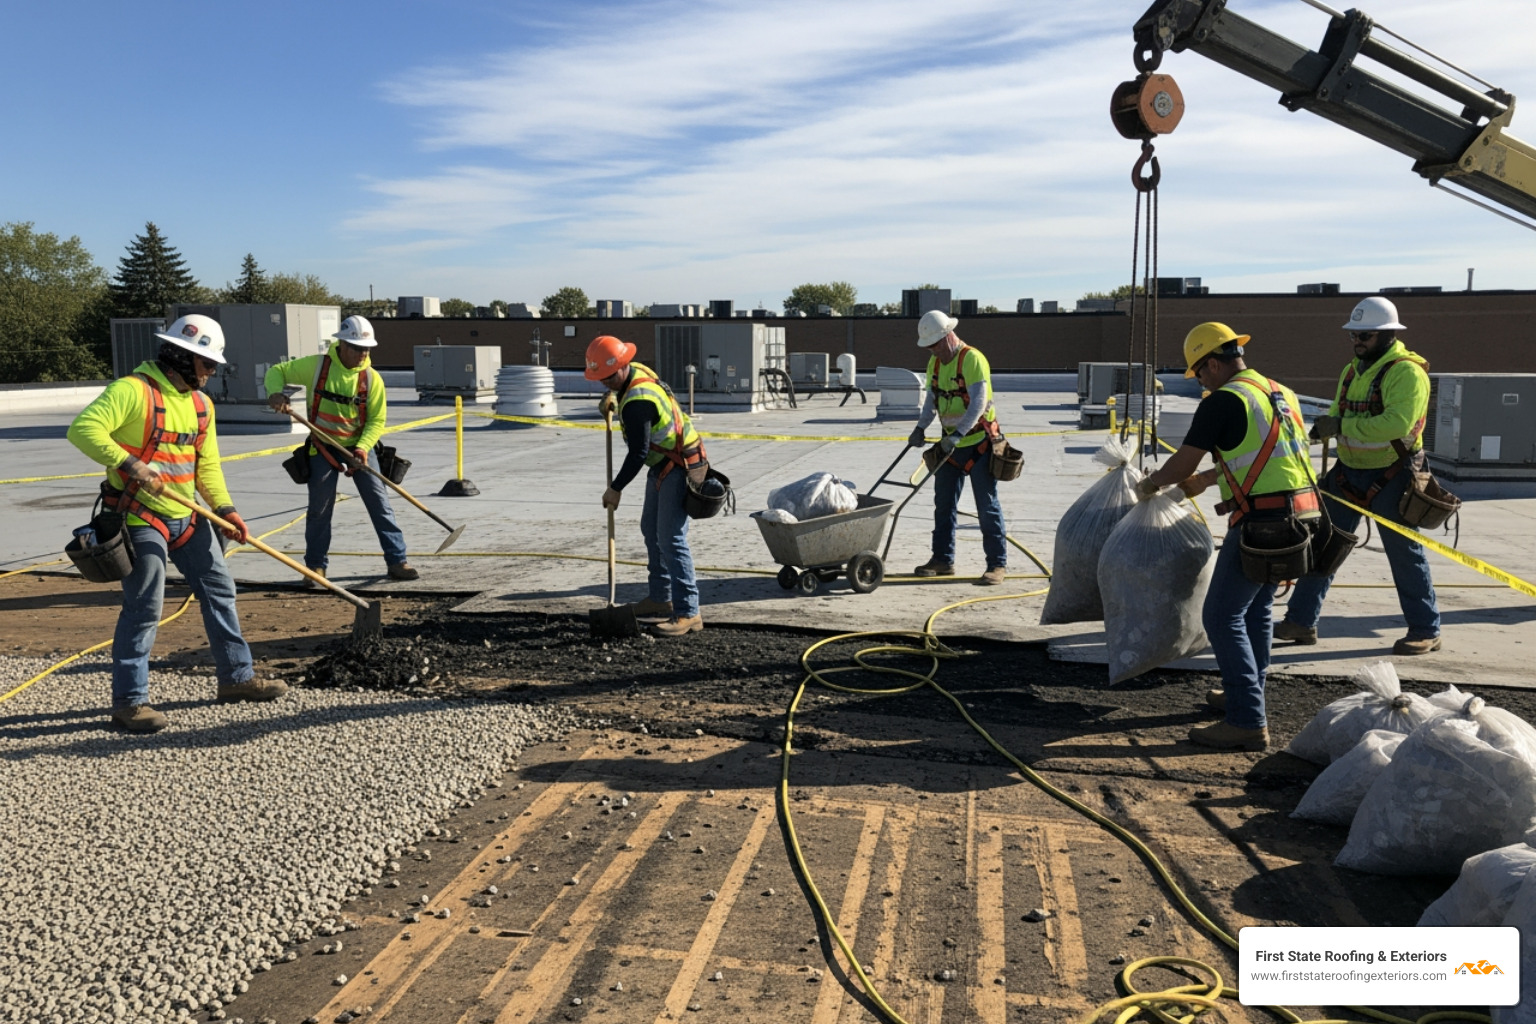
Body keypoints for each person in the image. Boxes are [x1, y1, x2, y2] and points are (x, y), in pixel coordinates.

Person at [67, 314, 287, 733]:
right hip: (139, 517)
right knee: (145, 605)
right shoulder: (133, 391)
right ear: (182, 358)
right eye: (208, 365)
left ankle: (236, 679)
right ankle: (130, 702)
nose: (212, 373)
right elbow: (83, 429)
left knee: (220, 589)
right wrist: (131, 463)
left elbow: (208, 466)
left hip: (187, 518)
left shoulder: (202, 405)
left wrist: (224, 510)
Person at [1138, 322, 1318, 751]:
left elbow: (1178, 464)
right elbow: (1267, 452)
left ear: (1213, 364)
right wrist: (1208, 479)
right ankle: (1244, 695)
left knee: (1220, 616)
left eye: (1198, 373)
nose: (1199, 382)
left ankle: (1246, 720)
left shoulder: (1223, 400)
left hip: (1264, 523)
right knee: (1254, 611)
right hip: (1299, 514)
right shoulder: (1278, 392)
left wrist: (1151, 485)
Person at [1273, 296, 1441, 655]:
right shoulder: (1352, 370)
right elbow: (1338, 410)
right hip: (1349, 474)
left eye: (1365, 335)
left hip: (1392, 476)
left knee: (1404, 553)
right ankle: (1301, 621)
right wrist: (1325, 429)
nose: (1357, 341)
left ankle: (1426, 628)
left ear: (1388, 334)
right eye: (1354, 335)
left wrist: (1342, 425)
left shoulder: (1407, 371)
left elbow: (1397, 423)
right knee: (1322, 546)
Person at [264, 315, 416, 584]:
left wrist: (362, 449)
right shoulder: (316, 366)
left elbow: (376, 421)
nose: (363, 354)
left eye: (367, 349)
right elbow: (276, 372)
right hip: (323, 448)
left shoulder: (372, 380)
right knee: (320, 510)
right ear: (342, 344)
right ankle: (315, 569)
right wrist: (275, 393)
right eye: (358, 347)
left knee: (380, 505)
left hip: (360, 448)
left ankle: (397, 560)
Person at [586, 334, 704, 637]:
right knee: (650, 530)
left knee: (671, 539)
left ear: (622, 366)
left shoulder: (638, 404)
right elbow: (622, 388)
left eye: (609, 377)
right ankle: (660, 597)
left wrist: (615, 488)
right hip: (663, 464)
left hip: (680, 467)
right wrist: (612, 397)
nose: (605, 382)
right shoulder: (636, 371)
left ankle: (688, 612)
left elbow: (637, 453)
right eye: (601, 378)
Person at [907, 310, 1009, 585]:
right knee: (943, 504)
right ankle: (942, 559)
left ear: (949, 336)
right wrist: (920, 428)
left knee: (986, 506)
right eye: (928, 347)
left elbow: (978, 402)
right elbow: (931, 402)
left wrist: (959, 433)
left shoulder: (972, 359)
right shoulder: (935, 364)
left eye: (935, 345)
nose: (933, 351)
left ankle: (997, 565)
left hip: (979, 443)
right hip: (951, 445)